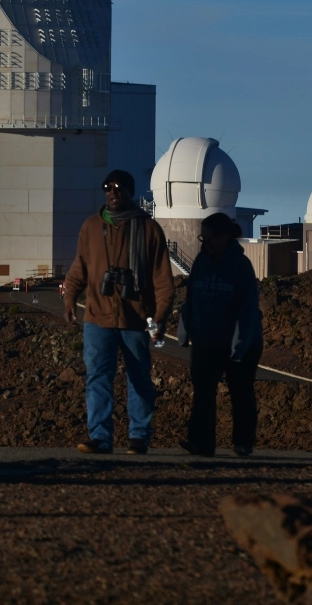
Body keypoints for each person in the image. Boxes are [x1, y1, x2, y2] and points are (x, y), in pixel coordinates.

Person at [63, 169, 175, 455]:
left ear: (130, 192)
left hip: (136, 318)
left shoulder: (149, 229)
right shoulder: (91, 227)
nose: (113, 193)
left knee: (138, 378)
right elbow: (80, 267)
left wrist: (160, 316)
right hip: (97, 318)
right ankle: (100, 438)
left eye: (119, 188)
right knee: (98, 377)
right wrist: (69, 298)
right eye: (107, 188)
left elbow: (163, 280)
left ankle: (139, 437)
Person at [177, 213, 263, 457]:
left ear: (223, 237)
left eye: (208, 238)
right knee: (203, 391)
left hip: (241, 342)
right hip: (206, 340)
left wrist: (239, 345)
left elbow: (247, 310)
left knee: (241, 390)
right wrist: (184, 329)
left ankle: (243, 442)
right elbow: (191, 297)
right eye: (201, 238)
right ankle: (201, 442)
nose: (203, 243)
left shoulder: (241, 267)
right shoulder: (201, 262)